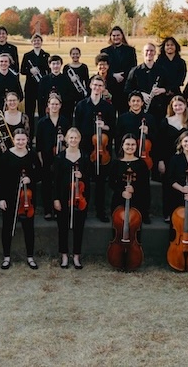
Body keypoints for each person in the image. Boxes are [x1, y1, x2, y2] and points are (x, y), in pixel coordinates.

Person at [73, 76, 116, 221]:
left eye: (100, 85)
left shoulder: (108, 107)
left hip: (102, 151)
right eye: (95, 84)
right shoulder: (81, 105)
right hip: (85, 149)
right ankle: (83, 210)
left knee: (100, 183)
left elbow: (113, 128)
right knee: (84, 181)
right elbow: (76, 128)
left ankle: (100, 212)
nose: (97, 87)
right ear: (90, 85)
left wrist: (104, 127)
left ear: (103, 88)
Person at [0, 128, 39, 270]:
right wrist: (1, 198)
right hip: (10, 197)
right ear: (13, 140)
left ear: (27, 140)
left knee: (29, 228)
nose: (20, 142)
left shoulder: (32, 155)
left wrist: (30, 178)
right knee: (7, 227)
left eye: (23, 139)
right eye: (18, 139)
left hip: (27, 198)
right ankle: (6, 257)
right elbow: (1, 179)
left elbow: (39, 174)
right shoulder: (6, 156)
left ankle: (30, 257)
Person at [117, 91, 161, 222]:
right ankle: (126, 210)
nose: (136, 103)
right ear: (129, 103)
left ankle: (144, 213)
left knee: (143, 188)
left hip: (143, 158)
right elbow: (118, 136)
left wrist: (149, 132)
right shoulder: (123, 118)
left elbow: (156, 138)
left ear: (142, 103)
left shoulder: (150, 118)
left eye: (138, 101)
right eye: (133, 101)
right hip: (127, 157)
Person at [53, 128, 90, 269]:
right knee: (62, 227)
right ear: (66, 140)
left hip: (80, 198)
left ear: (79, 139)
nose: (73, 140)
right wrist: (55, 199)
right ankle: (63, 255)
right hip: (63, 197)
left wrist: (83, 176)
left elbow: (89, 176)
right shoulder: (60, 157)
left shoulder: (85, 156)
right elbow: (55, 180)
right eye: (71, 138)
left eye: (76, 138)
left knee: (78, 227)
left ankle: (76, 256)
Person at [36, 94, 71, 220]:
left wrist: (65, 141)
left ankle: (58, 209)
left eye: (57, 104)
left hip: (61, 158)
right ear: (48, 106)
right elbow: (39, 145)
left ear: (60, 105)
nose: (54, 106)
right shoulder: (42, 123)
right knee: (46, 184)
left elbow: (70, 141)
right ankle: (47, 210)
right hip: (46, 158)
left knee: (59, 183)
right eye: (52, 104)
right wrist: (41, 161)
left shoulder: (65, 121)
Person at [158, 96, 188, 221]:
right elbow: (160, 143)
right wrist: (161, 160)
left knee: (184, 184)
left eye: (180, 105)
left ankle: (182, 213)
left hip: (185, 159)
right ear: (172, 107)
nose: (178, 107)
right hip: (168, 159)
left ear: (185, 106)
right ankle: (168, 213)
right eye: (175, 105)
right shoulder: (165, 122)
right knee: (168, 186)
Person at [109, 134, 150, 231]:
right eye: (127, 144)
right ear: (122, 145)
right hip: (119, 200)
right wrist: (122, 192)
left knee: (135, 230)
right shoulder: (116, 163)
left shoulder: (141, 164)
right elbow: (111, 183)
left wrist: (134, 189)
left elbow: (145, 185)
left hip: (137, 201)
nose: (130, 147)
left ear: (136, 146)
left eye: (133, 145)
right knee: (118, 229)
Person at [100, 26, 137, 113]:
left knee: (123, 111)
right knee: (108, 112)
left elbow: (133, 66)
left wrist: (123, 76)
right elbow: (102, 67)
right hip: (110, 85)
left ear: (122, 36)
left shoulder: (130, 50)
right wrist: (113, 74)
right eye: (114, 35)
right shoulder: (105, 51)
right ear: (111, 37)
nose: (116, 37)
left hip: (125, 85)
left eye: (118, 35)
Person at [0, 91, 31, 171]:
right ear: (6, 101)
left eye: (14, 100)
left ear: (18, 101)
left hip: (19, 153)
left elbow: (27, 137)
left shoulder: (24, 117)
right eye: (10, 100)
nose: (12, 102)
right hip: (2, 153)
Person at [124, 43, 164, 119]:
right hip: (140, 110)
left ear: (155, 53)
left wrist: (162, 90)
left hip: (158, 109)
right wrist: (141, 94)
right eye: (147, 50)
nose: (149, 53)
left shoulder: (161, 70)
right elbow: (127, 89)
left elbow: (168, 86)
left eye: (151, 50)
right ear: (142, 53)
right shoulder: (135, 71)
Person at [20, 33, 50, 121]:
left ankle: (41, 132)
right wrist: (30, 71)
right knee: (29, 111)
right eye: (34, 41)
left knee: (42, 111)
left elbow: (49, 71)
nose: (36, 42)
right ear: (32, 42)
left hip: (42, 87)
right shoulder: (27, 55)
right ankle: (30, 132)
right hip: (30, 87)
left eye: (38, 41)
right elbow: (22, 71)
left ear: (41, 42)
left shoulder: (46, 55)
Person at [38, 55, 77, 120]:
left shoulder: (67, 79)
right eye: (53, 64)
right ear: (49, 65)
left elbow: (71, 98)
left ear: (61, 65)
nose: (56, 66)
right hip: (47, 113)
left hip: (63, 113)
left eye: (58, 63)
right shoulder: (44, 80)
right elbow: (40, 98)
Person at [156, 37, 188, 115]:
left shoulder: (181, 62)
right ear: (164, 47)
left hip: (175, 92)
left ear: (176, 47)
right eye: (167, 45)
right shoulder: (159, 62)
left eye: (172, 45)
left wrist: (168, 89)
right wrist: (164, 90)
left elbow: (180, 80)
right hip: (161, 93)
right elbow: (158, 78)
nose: (170, 47)